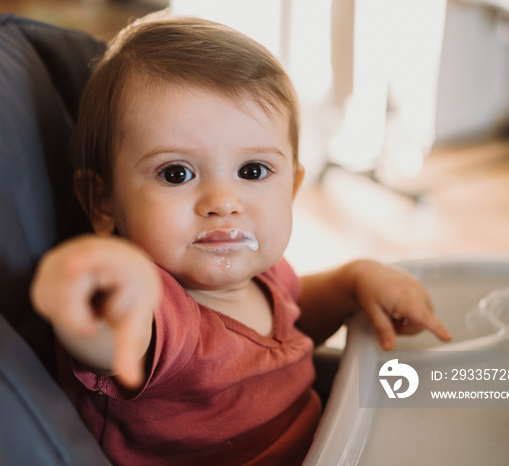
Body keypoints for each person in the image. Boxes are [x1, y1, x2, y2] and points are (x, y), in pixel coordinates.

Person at [30, 12, 451, 465]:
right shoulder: (163, 315)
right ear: (103, 202)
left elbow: (293, 317)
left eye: (253, 171)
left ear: (291, 187)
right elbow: (116, 342)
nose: (223, 201)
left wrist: (351, 283)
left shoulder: (260, 271)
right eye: (176, 173)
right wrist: (101, 286)